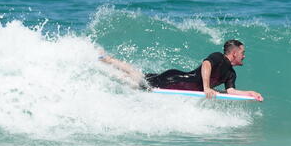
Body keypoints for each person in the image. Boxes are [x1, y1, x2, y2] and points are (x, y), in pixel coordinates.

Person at [99, 39, 263, 101]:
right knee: (137, 81)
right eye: (243, 53)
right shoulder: (218, 57)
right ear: (234, 53)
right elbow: (206, 64)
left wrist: (250, 93)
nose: (244, 56)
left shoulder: (231, 73)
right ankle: (105, 63)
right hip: (174, 80)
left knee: (138, 79)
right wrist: (206, 88)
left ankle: (106, 63)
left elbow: (231, 91)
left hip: (176, 83)